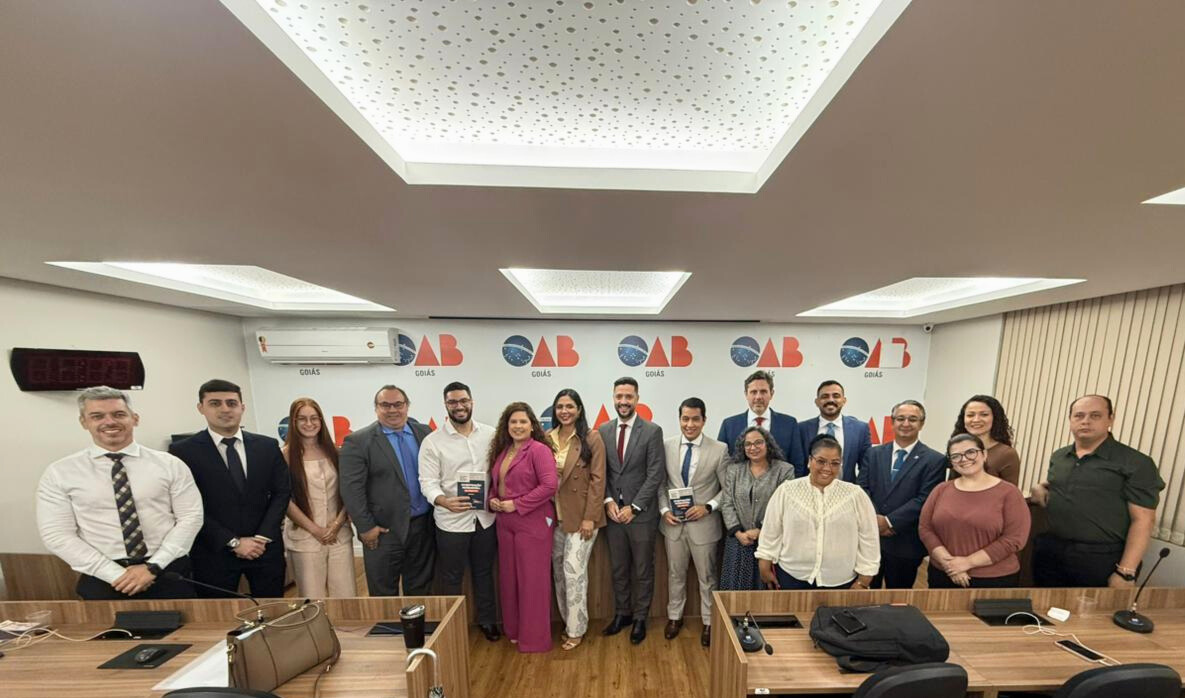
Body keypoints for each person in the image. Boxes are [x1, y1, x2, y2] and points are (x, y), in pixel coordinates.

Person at [37, 386, 202, 599]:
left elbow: (191, 517)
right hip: (103, 578)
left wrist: (153, 566)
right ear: (84, 422)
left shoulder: (170, 464)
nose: (109, 422)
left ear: (135, 418)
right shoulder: (60, 472)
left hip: (168, 572)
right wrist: (115, 574)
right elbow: (57, 534)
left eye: (119, 414)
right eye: (97, 416)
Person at [170, 379, 291, 598]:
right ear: (201, 408)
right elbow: (187, 505)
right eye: (215, 403)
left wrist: (262, 536)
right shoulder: (183, 452)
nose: (225, 409)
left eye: (231, 403)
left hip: (264, 549)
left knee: (274, 610)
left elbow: (281, 492)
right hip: (213, 551)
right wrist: (233, 542)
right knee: (219, 613)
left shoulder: (267, 446)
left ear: (242, 407)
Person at [1031, 395, 1165, 588]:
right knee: (1043, 605)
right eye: (1079, 415)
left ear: (1110, 419)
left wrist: (1125, 571)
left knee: (1092, 608)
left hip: (1100, 559)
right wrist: (1039, 486)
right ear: (1070, 420)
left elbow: (1144, 520)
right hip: (1051, 552)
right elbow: (1070, 484)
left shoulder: (1136, 462)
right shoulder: (1060, 456)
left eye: (1095, 415)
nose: (1085, 421)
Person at [418, 382, 500, 642]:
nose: (459, 406)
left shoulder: (491, 434)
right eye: (453, 402)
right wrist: (443, 501)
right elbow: (427, 482)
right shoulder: (432, 442)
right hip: (451, 522)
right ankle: (452, 626)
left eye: (463, 400)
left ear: (471, 402)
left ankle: (487, 620)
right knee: (452, 577)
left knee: (484, 572)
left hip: (485, 519)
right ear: (446, 405)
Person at [339, 385, 434, 597]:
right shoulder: (358, 441)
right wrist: (366, 527)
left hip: (423, 528)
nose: (392, 410)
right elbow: (351, 489)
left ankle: (419, 620)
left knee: (420, 589)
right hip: (383, 532)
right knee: (383, 593)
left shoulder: (424, 433)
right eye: (385, 405)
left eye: (398, 404)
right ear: (376, 408)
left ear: (407, 406)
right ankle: (387, 622)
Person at [757, 435, 879, 590]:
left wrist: (864, 579)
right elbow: (771, 530)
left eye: (835, 463)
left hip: (841, 581)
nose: (827, 468)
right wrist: (764, 565)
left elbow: (869, 537)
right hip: (792, 576)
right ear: (810, 460)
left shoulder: (855, 495)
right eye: (821, 461)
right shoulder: (787, 491)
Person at [598, 376, 666, 645]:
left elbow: (655, 474)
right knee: (618, 568)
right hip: (613, 514)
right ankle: (622, 614)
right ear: (613, 398)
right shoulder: (603, 430)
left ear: (637, 398)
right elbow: (600, 472)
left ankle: (640, 618)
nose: (623, 401)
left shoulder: (652, 431)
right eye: (619, 396)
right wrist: (608, 501)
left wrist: (635, 507)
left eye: (628, 396)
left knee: (642, 569)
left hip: (641, 515)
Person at [488, 402, 558, 653]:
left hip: (533, 521)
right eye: (513, 422)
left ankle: (535, 640)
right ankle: (515, 631)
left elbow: (549, 486)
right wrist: (492, 499)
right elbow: (496, 484)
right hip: (505, 522)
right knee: (509, 579)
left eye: (523, 421)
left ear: (532, 425)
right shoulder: (503, 450)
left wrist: (517, 504)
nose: (517, 426)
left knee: (532, 582)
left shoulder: (539, 450)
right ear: (506, 426)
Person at [919, 434, 1031, 588]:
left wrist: (967, 563)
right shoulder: (941, 490)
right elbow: (925, 528)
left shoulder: (1009, 493)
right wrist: (949, 564)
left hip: (993, 579)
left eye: (971, 452)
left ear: (984, 454)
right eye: (956, 456)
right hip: (943, 573)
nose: (964, 459)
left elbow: (1014, 539)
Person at [857, 399, 946, 589]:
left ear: (922, 424)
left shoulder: (935, 460)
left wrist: (890, 521)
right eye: (900, 418)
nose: (906, 423)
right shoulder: (873, 453)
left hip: (905, 542)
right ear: (892, 422)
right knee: (865, 595)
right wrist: (875, 519)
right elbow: (862, 488)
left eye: (912, 419)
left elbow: (925, 499)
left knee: (898, 597)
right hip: (871, 538)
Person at [659, 397, 726, 647]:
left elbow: (727, 488)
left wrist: (708, 507)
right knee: (675, 574)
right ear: (679, 419)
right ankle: (674, 617)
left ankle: (709, 621)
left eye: (695, 419)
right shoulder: (666, 446)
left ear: (704, 420)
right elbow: (661, 484)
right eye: (685, 419)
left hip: (704, 526)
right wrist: (664, 510)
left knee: (707, 577)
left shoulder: (719, 449)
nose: (690, 424)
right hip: (673, 525)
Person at [547, 388, 606, 651]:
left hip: (582, 518)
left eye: (570, 406)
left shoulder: (591, 438)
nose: (565, 411)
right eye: (560, 406)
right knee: (560, 574)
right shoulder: (547, 438)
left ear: (579, 410)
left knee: (574, 574)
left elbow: (598, 480)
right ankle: (567, 622)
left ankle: (576, 629)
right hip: (553, 517)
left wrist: (590, 518)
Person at [281, 397, 356, 598]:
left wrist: (337, 524)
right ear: (293, 422)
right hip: (304, 538)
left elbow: (349, 492)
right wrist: (316, 530)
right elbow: (284, 500)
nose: (309, 423)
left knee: (345, 596)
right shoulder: (284, 456)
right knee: (312, 599)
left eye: (314, 418)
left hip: (339, 535)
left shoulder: (336, 453)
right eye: (302, 418)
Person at [718, 427, 795, 591]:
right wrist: (738, 532)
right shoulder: (734, 470)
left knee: (766, 589)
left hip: (771, 541)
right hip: (739, 541)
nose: (753, 448)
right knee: (736, 591)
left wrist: (761, 530)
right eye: (748, 444)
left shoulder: (784, 470)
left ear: (768, 444)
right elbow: (726, 503)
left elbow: (786, 506)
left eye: (758, 442)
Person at [718, 370, 805, 475]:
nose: (758, 397)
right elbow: (722, 466)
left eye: (763, 392)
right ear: (746, 394)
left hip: (782, 484)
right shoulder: (729, 425)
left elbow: (798, 464)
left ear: (771, 394)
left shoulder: (789, 424)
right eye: (753, 392)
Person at [797, 380, 872, 482]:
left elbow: (866, 467)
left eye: (836, 396)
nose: (830, 400)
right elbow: (798, 465)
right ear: (817, 402)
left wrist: (857, 489)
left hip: (847, 490)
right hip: (810, 489)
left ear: (844, 400)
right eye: (825, 396)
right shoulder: (801, 429)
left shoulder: (860, 429)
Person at [949, 395, 1020, 485]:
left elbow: (1011, 492)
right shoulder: (957, 449)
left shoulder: (1007, 454)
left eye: (984, 415)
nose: (976, 420)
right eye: (970, 415)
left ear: (995, 418)